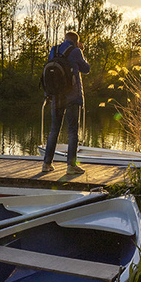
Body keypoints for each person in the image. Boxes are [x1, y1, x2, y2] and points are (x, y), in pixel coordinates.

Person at [40, 30, 90, 174]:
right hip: (72, 97)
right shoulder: (75, 51)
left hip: (55, 96)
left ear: (65, 39)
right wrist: (81, 51)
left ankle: (46, 164)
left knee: (54, 130)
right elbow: (86, 69)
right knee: (73, 131)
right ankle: (71, 166)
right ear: (76, 41)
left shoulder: (54, 50)